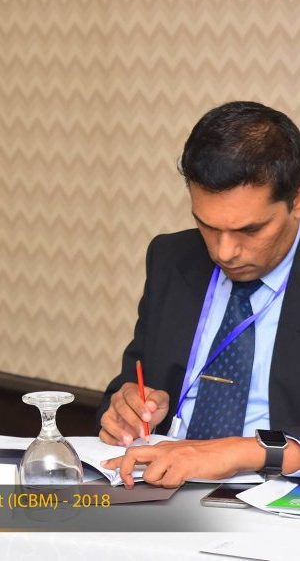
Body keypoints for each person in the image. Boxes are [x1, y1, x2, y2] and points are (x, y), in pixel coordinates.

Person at [98, 101, 300, 485]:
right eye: (207, 226)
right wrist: (126, 410)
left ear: (296, 201)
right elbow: (127, 386)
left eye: (249, 230)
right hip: (161, 486)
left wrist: (243, 451)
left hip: (276, 497)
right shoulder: (172, 258)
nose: (225, 252)